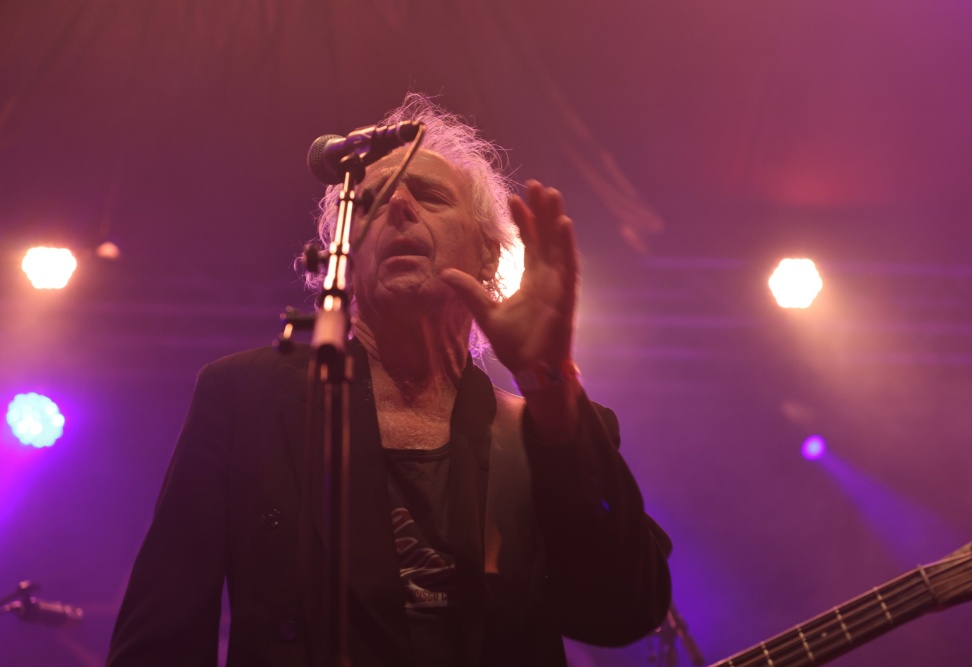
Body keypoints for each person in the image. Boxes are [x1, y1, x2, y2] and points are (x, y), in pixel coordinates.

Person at [107, 94, 670, 667]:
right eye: (372, 201)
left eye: (430, 195)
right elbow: (159, 640)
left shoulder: (549, 426)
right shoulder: (244, 398)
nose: (399, 205)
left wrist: (546, 383)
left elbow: (623, 611)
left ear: (488, 254)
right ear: (344, 260)